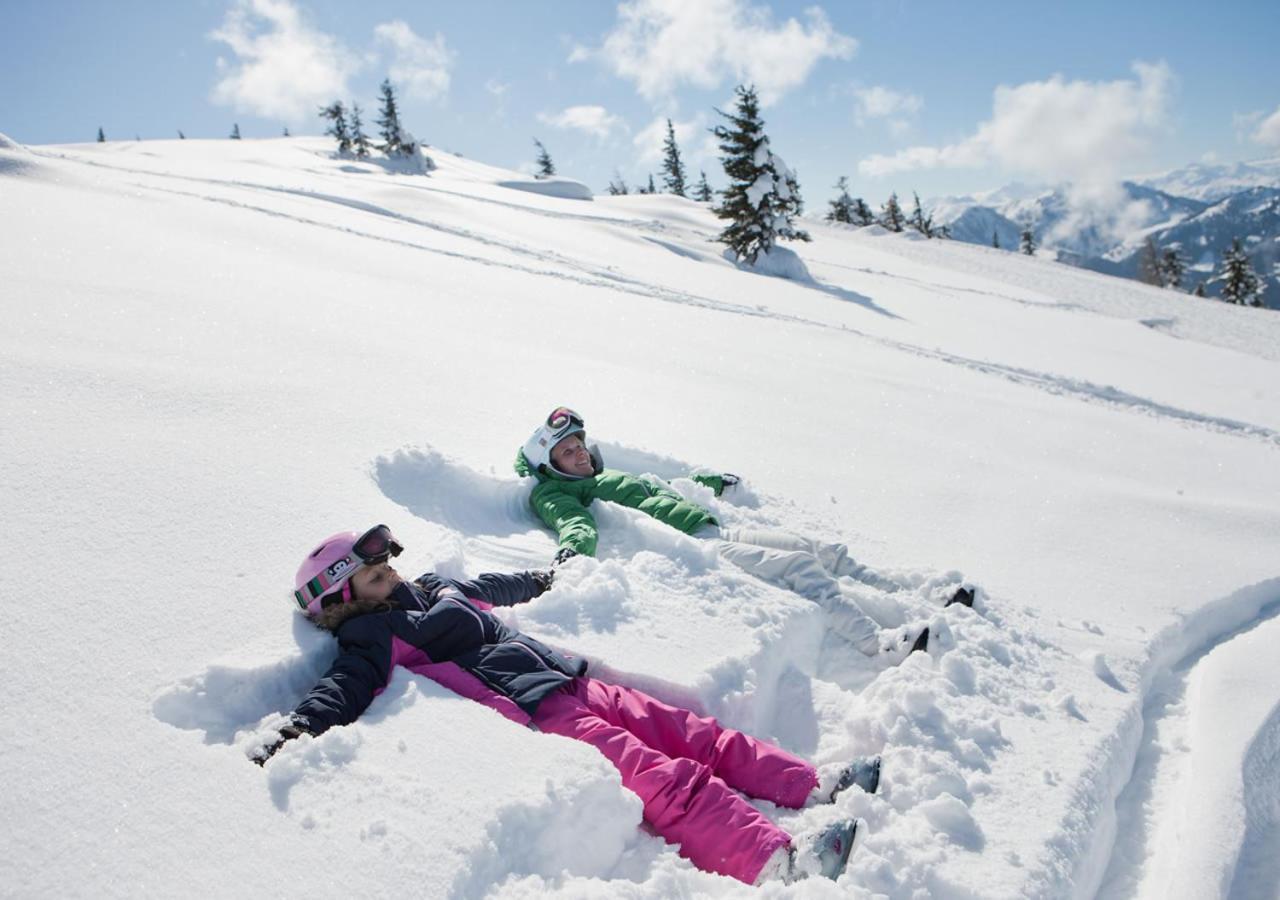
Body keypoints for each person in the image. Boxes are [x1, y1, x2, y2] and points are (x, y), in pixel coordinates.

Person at [255, 524, 882, 885]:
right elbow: (347, 684)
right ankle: (775, 861)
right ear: (344, 597)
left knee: (692, 732)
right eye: (374, 576)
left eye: (388, 564)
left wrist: (544, 577)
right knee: (660, 777)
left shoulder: (426, 589)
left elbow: (487, 587)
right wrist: (297, 729)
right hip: (541, 709)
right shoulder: (373, 635)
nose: (391, 575)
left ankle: (810, 784)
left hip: (569, 678)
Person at [515, 408, 974, 662]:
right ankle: (880, 644)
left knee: (818, 549)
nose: (579, 454)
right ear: (548, 463)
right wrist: (572, 554)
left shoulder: (599, 473)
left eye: (579, 445)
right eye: (567, 451)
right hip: (702, 545)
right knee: (800, 567)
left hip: (717, 525)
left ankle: (921, 593)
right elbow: (574, 524)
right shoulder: (555, 493)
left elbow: (663, 485)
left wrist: (712, 484)